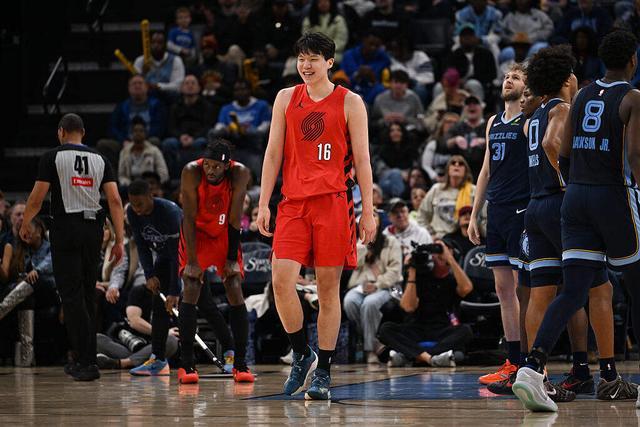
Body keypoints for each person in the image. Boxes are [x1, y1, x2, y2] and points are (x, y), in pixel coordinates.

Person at [514, 30, 640, 412]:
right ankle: (607, 374)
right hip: (608, 195)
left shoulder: (581, 96)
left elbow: (565, 153)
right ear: (633, 60)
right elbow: (635, 155)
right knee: (629, 287)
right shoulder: (630, 98)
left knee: (569, 292)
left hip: (569, 201)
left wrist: (575, 188)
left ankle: (532, 368)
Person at [256, 33, 376, 400]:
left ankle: (323, 369)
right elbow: (273, 152)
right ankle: (301, 352)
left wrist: (368, 211)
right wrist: (263, 202)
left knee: (327, 291)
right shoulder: (285, 97)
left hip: (333, 203)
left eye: (313, 59)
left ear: (329, 63)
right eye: (301, 58)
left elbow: (363, 160)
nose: (305, 65)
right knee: (281, 281)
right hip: (293, 203)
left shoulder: (350, 102)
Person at [19, 113, 125, 381]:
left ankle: (86, 361)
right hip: (94, 230)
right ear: (83, 133)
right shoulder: (101, 158)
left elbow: (37, 197)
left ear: (61, 132)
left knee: (71, 296)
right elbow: (114, 200)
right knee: (87, 294)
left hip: (66, 228)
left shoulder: (52, 157)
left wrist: (26, 222)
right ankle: (84, 359)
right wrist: (119, 239)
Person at [468, 64, 528, 387]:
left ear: (526, 87)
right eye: (506, 76)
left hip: (522, 209)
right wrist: (475, 214)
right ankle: (513, 361)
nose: (508, 80)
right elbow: (485, 170)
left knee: (522, 289)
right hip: (497, 211)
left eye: (515, 77)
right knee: (503, 290)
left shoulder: (530, 120)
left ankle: (532, 362)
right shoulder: (493, 121)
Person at [178, 139, 254, 384]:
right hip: (196, 235)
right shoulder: (191, 171)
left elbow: (235, 219)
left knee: (234, 286)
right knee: (191, 286)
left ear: (227, 165)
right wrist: (192, 261)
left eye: (216, 166)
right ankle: (186, 365)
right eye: (208, 165)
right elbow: (188, 218)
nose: (210, 170)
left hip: (223, 234)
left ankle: (240, 364)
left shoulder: (240, 173)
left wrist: (231, 259)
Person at [377, 239, 474, 367]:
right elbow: (408, 307)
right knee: (386, 329)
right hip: (415, 328)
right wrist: (412, 271)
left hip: (441, 329)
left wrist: (450, 259)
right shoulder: (419, 276)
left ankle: (410, 356)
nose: (437, 254)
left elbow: (467, 288)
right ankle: (431, 358)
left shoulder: (453, 279)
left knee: (466, 331)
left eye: (441, 249)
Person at [125, 180, 182, 376]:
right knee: (159, 307)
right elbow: (142, 246)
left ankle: (231, 353)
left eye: (140, 204)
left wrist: (175, 290)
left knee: (204, 304)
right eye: (133, 204)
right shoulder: (132, 212)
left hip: (189, 256)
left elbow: (177, 254)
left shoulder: (170, 212)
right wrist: (149, 274)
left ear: (151, 196)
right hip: (164, 258)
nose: (136, 209)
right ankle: (158, 360)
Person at [343, 211, 402, 364]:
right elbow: (353, 264)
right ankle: (374, 342)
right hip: (361, 286)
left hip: (385, 286)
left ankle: (369, 351)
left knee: (369, 304)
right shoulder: (358, 243)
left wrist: (377, 284)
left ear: (380, 221)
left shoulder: (391, 241)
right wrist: (365, 244)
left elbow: (395, 271)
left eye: (374, 215)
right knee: (349, 301)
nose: (371, 218)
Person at [96, 283, 180, 370]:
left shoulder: (173, 295)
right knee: (97, 338)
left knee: (171, 341)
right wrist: (162, 333)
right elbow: (134, 321)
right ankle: (136, 361)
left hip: (154, 346)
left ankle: (123, 363)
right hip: (132, 344)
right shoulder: (139, 291)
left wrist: (165, 334)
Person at [162, 75, 215, 178]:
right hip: (179, 138)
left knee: (201, 143)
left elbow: (207, 127)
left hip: (198, 137)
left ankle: (197, 176)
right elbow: (171, 127)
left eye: (193, 83)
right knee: (168, 144)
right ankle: (173, 176)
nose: (190, 86)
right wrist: (181, 136)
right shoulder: (175, 107)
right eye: (187, 83)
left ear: (199, 88)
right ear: (181, 88)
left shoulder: (206, 106)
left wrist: (193, 138)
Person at [418, 155, 476, 239]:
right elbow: (422, 216)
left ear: (466, 171)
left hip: (465, 239)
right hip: (439, 239)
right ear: (448, 169)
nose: (456, 165)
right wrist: (430, 235)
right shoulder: (436, 189)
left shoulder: (474, 191)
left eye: (461, 163)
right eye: (453, 163)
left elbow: (484, 217)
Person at [117, 116, 169, 189]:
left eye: (141, 131)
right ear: (131, 134)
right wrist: (129, 185)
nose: (138, 133)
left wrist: (154, 184)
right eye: (135, 131)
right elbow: (121, 175)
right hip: (131, 187)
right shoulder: (124, 152)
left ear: (145, 133)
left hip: (150, 186)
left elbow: (163, 174)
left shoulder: (154, 151)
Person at [445, 95, 487, 179]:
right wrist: (455, 140)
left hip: (483, 171)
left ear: (481, 107)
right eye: (468, 104)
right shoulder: (457, 127)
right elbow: (444, 143)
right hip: (461, 172)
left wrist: (485, 142)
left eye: (475, 103)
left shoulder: (488, 125)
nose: (471, 106)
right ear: (464, 108)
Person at [134, 31, 186, 96]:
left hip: (169, 99)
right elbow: (134, 85)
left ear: (165, 45)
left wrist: (157, 86)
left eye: (160, 43)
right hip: (146, 98)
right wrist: (143, 74)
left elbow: (178, 86)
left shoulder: (176, 60)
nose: (156, 45)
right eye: (153, 42)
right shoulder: (140, 60)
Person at [384, 198, 432, 267]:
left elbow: (429, 260)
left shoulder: (421, 233)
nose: (400, 215)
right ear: (389, 217)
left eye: (402, 211)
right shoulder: (385, 235)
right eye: (395, 212)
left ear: (408, 212)